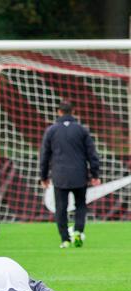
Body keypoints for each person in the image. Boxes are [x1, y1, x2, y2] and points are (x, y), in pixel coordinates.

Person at [40, 100, 100, 248]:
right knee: (80, 205)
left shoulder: (52, 130)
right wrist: (95, 174)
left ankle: (65, 239)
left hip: (60, 176)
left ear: (58, 112)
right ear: (73, 112)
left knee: (61, 207)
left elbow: (45, 155)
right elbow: (91, 154)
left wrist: (43, 176)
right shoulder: (81, 130)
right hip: (79, 174)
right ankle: (78, 232)